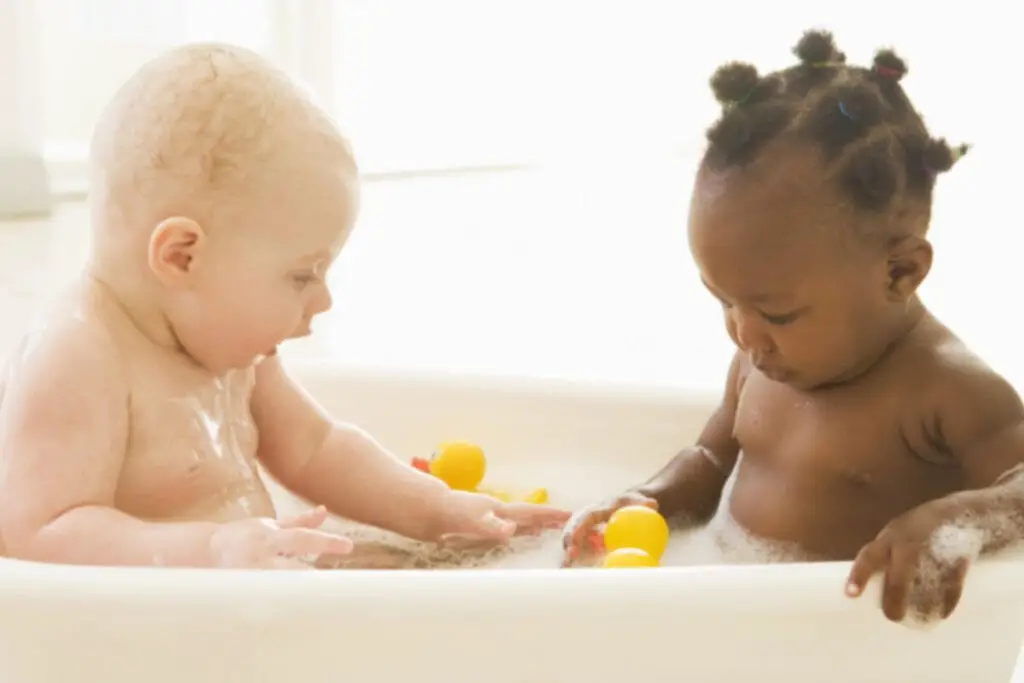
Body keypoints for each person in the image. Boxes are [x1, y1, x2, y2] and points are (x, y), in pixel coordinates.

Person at [0, 43, 569, 570]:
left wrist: (436, 509)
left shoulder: (228, 346)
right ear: (182, 256)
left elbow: (315, 448)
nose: (323, 300)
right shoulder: (80, 354)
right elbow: (40, 532)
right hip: (145, 626)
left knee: (402, 580)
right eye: (302, 274)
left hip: (247, 597)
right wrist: (211, 548)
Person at [562, 29, 1024, 624]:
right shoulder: (761, 360)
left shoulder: (944, 389)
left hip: (838, 644)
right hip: (729, 611)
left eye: (776, 313)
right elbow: (710, 457)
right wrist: (652, 498)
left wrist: (960, 518)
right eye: (724, 302)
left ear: (900, 272)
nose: (744, 336)